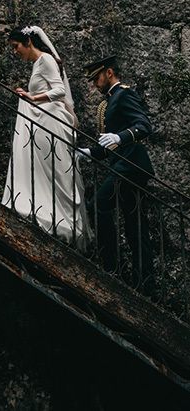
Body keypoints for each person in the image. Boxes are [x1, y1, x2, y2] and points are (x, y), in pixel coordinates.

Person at [1, 26, 88, 247]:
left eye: (16, 46)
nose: (15, 51)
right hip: (43, 122)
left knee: (57, 173)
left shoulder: (46, 60)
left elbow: (59, 91)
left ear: (28, 41)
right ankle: (47, 213)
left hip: (52, 122)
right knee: (46, 173)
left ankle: (63, 222)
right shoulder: (37, 65)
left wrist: (32, 97)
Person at [76, 55, 155, 295]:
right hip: (123, 166)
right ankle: (144, 284)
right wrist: (89, 152)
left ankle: (112, 267)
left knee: (98, 205)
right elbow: (108, 143)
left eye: (96, 77)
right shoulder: (108, 102)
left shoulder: (124, 94)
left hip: (130, 167)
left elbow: (144, 126)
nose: (94, 84)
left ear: (109, 73)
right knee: (135, 227)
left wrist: (121, 137)